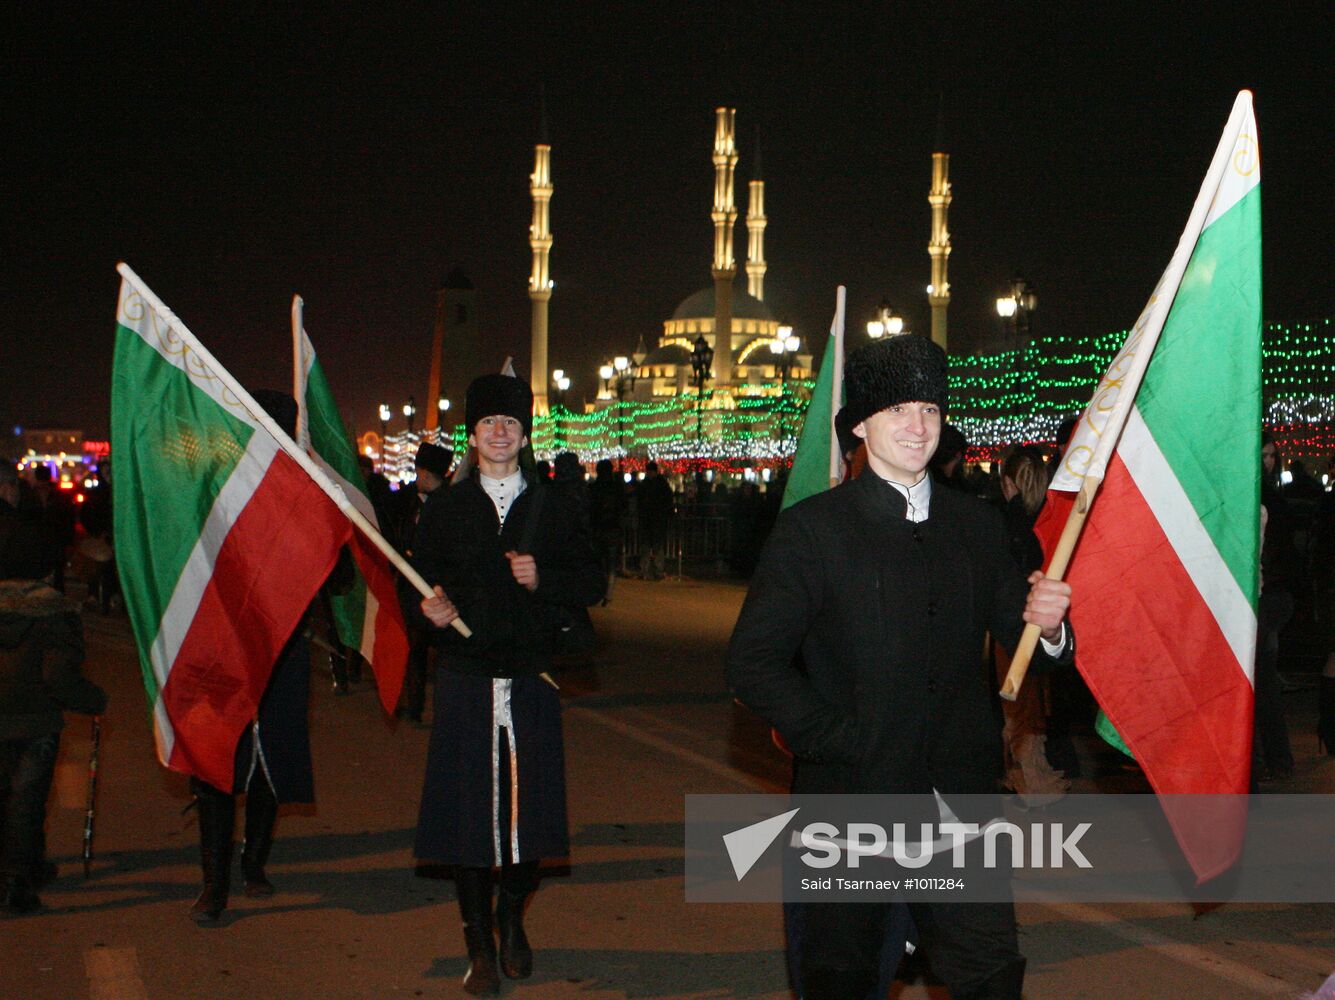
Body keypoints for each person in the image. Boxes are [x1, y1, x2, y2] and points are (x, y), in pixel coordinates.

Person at [727, 335, 1072, 1000]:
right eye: (897, 412)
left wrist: (1048, 625)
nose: (917, 428)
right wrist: (843, 739)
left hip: (958, 798)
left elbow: (1020, 634)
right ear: (859, 425)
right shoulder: (813, 531)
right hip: (852, 803)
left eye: (929, 411)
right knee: (844, 975)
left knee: (989, 970)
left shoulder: (975, 526)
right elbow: (753, 665)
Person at [414, 374, 603, 996]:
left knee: (530, 820)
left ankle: (509, 918)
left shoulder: (554, 505)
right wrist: (430, 608)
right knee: (471, 823)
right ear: (472, 436)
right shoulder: (444, 508)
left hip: (530, 677)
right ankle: (478, 948)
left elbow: (592, 580)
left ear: (525, 435)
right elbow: (415, 579)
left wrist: (542, 577)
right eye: (489, 423)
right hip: (467, 677)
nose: (499, 433)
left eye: (511, 424)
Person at [187, 390, 352, 925]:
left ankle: (252, 864)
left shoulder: (305, 493)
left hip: (281, 651)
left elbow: (341, 576)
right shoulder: (216, 486)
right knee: (216, 761)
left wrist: (330, 529)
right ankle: (213, 886)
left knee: (266, 764)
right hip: (221, 646)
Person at [1, 485, 107, 914]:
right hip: (35, 723)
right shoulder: (53, 613)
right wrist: (93, 700)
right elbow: (59, 677)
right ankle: (16, 884)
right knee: (25, 803)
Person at [995, 445, 1069, 804]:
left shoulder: (1002, 520)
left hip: (1012, 621)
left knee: (1018, 706)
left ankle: (1031, 781)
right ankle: (1028, 777)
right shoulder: (1051, 516)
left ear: (1007, 482)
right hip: (1046, 619)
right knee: (1034, 705)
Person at [394, 442, 453, 721]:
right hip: (420, 591)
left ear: (427, 474)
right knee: (418, 654)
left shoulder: (445, 505)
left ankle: (429, 709)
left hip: (431, 591)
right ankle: (415, 705)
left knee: (428, 654)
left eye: (419, 472)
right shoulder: (414, 501)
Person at [589, 459, 625, 604]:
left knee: (599, 562)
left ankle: (598, 591)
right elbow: (622, 507)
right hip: (613, 528)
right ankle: (608, 594)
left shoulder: (594, 488)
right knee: (611, 563)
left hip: (598, 529)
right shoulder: (616, 488)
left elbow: (590, 508)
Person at [635, 460, 674, 580]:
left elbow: (640, 500)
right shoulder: (661, 484)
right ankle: (654, 570)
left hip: (652, 518)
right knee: (653, 546)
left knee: (650, 545)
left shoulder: (647, 484)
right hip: (655, 518)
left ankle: (649, 570)